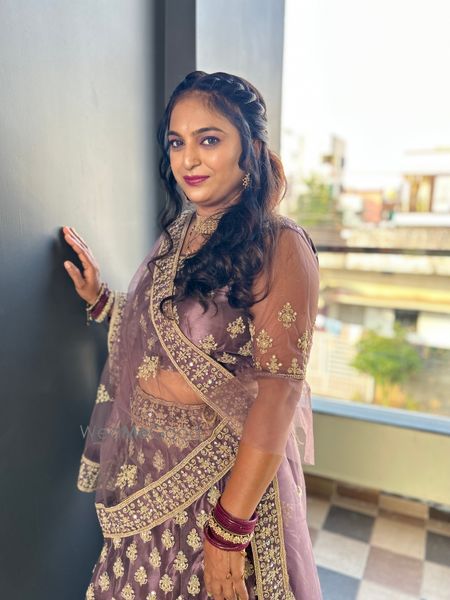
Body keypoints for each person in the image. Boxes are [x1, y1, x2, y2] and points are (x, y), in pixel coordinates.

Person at [63, 70, 322, 600]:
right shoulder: (179, 235)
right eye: (177, 142)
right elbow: (156, 332)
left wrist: (229, 530)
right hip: (148, 473)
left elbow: (279, 393)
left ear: (250, 148)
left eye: (208, 140)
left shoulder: (280, 245)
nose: (188, 159)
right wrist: (101, 300)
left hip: (222, 489)